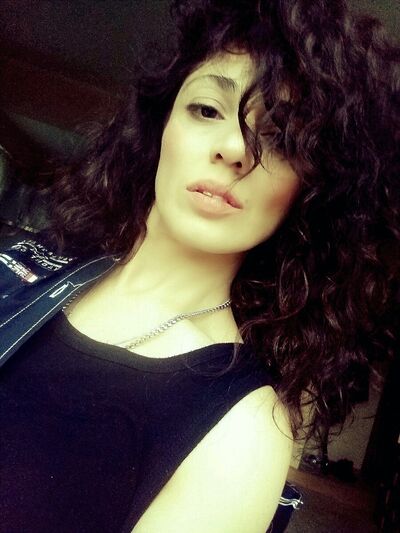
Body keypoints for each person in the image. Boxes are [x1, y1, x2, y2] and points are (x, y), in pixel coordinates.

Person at [0, 0, 398, 531]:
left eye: (282, 138)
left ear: (311, 192)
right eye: (208, 110)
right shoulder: (30, 268)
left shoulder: (241, 430)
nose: (235, 147)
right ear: (161, 125)